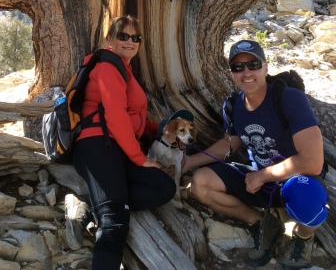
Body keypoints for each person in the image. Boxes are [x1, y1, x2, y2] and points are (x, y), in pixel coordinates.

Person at [182, 39, 328, 269]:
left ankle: (302, 237)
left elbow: (312, 162)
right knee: (201, 183)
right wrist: (189, 162)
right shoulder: (233, 104)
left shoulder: (288, 98)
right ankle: (261, 223)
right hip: (257, 180)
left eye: (253, 64)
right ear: (231, 73)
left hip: (293, 180)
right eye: (238, 67)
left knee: (306, 197)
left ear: (266, 67)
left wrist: (262, 176)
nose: (246, 72)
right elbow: (228, 144)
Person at [65, 15, 176, 269]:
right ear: (109, 39)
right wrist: (140, 158)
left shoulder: (123, 68)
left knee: (163, 187)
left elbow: (128, 115)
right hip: (97, 146)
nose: (130, 42)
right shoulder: (107, 66)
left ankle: (95, 200)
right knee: (114, 222)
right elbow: (114, 116)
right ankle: (105, 206)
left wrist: (157, 128)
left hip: (116, 149)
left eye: (135, 38)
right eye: (123, 36)